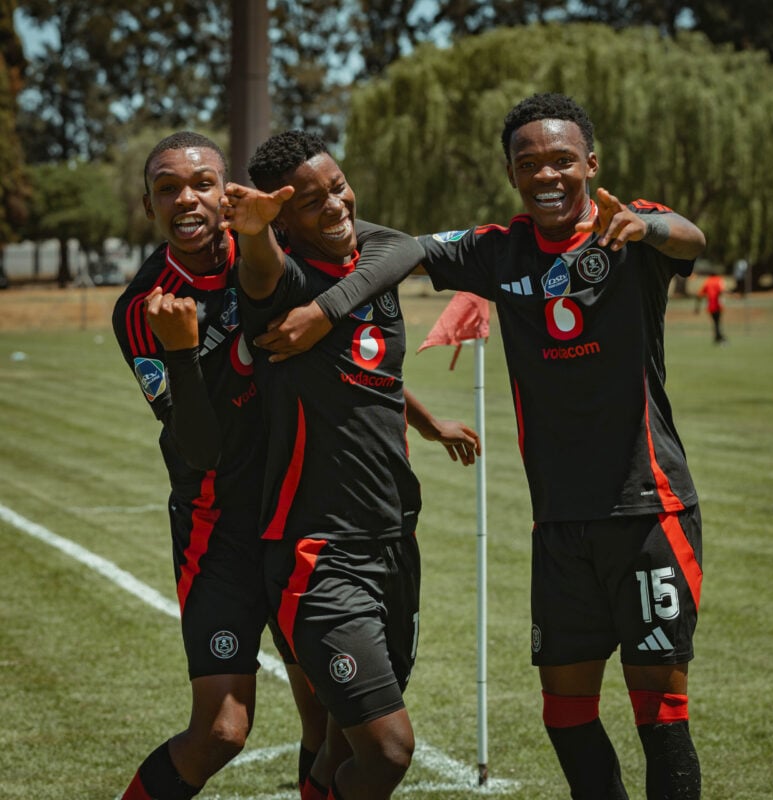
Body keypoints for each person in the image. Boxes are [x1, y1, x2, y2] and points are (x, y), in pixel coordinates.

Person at [111, 131, 453, 800]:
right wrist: (180, 352)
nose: (187, 199)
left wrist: (414, 410)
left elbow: (392, 251)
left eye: (202, 183)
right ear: (149, 206)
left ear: (228, 193)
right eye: (167, 189)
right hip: (220, 528)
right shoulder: (144, 307)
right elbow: (199, 448)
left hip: (301, 516)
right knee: (222, 731)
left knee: (326, 720)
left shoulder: (271, 244)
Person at [413, 93, 706, 799]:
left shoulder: (626, 229)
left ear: (591, 164)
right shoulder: (499, 249)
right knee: (565, 715)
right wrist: (313, 226)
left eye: (562, 160)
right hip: (559, 522)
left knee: (660, 718)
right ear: (512, 173)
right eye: (529, 164)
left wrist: (646, 225)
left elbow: (689, 238)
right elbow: (407, 249)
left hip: (648, 511)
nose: (547, 175)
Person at [218, 130, 480, 800]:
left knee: (342, 743)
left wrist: (428, 423)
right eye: (311, 202)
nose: (335, 205)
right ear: (284, 221)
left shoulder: (370, 269)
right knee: (388, 751)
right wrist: (256, 232)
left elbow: (403, 262)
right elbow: (259, 270)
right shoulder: (282, 281)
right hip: (319, 554)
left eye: (337, 188)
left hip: (394, 539)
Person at [696, 270, 727, 343]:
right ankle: (719, 337)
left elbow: (699, 294)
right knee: (717, 321)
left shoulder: (707, 281)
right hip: (718, 304)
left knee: (715, 322)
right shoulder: (719, 280)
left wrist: (697, 307)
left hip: (710, 305)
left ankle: (718, 336)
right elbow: (721, 291)